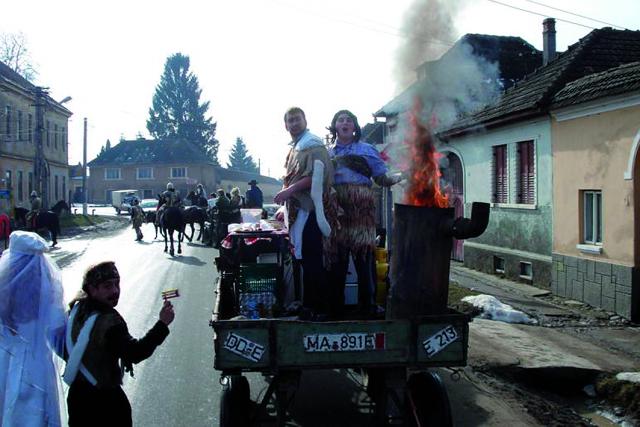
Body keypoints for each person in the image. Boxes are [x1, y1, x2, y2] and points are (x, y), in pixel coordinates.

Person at [64, 261, 174, 427]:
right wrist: (162, 324)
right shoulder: (108, 320)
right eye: (107, 286)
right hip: (105, 404)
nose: (115, 291)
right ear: (92, 289)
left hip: (78, 400)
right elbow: (135, 352)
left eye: (117, 284)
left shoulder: (76, 310)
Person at [327, 109, 402, 316]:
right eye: (340, 119)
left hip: (362, 211)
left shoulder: (367, 150)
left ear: (355, 126)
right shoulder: (327, 153)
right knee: (337, 262)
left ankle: (367, 306)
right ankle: (335, 309)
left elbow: (382, 178)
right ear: (335, 126)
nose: (345, 122)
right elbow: (322, 182)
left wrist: (400, 176)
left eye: (349, 120)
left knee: (364, 260)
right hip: (337, 212)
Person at [274, 107, 336, 316]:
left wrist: (288, 191)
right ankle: (309, 304)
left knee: (313, 260)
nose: (294, 123)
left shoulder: (313, 145)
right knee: (305, 261)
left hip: (312, 211)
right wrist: (285, 206)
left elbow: (317, 177)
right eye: (290, 120)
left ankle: (321, 308)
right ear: (285, 125)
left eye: (297, 119)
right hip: (300, 210)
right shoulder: (296, 147)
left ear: (305, 120)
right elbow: (293, 178)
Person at [0, 231, 67, 426]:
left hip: (3, 359)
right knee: (34, 415)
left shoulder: (2, 285)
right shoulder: (47, 288)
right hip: (35, 366)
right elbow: (57, 327)